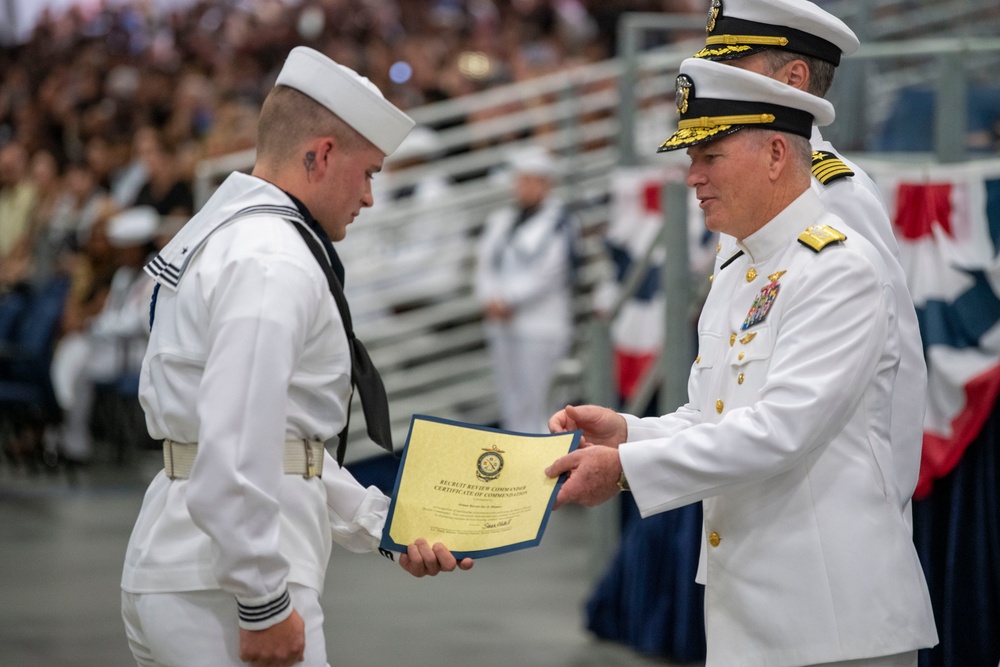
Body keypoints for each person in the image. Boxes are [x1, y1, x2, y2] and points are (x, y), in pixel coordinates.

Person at [546, 58, 937, 667]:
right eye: (690, 160)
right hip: (752, 613)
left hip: (834, 621)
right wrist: (629, 431)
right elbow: (714, 414)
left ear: (777, 154)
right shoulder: (740, 267)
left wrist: (625, 467)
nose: (692, 178)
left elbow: (780, 430)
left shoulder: (839, 268)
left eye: (710, 158)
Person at [120, 47, 472, 667]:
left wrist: (387, 527)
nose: (367, 197)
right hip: (229, 585)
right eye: (368, 173)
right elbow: (237, 443)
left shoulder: (238, 234)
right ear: (323, 154)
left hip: (190, 566)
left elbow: (284, 445)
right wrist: (262, 600)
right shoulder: (272, 257)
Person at [694, 0, 927, 523]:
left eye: (728, 68)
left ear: (795, 78)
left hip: (824, 506)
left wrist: (885, 497)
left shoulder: (831, 192)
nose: (713, 83)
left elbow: (898, 356)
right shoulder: (749, 184)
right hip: (754, 490)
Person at [475, 146, 580, 433]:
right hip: (503, 325)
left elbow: (551, 271)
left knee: (542, 403)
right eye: (520, 180)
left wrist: (508, 300)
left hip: (541, 326)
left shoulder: (560, 222)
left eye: (531, 180)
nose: (523, 187)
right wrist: (490, 299)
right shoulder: (502, 219)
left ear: (546, 184)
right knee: (511, 400)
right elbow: (485, 263)